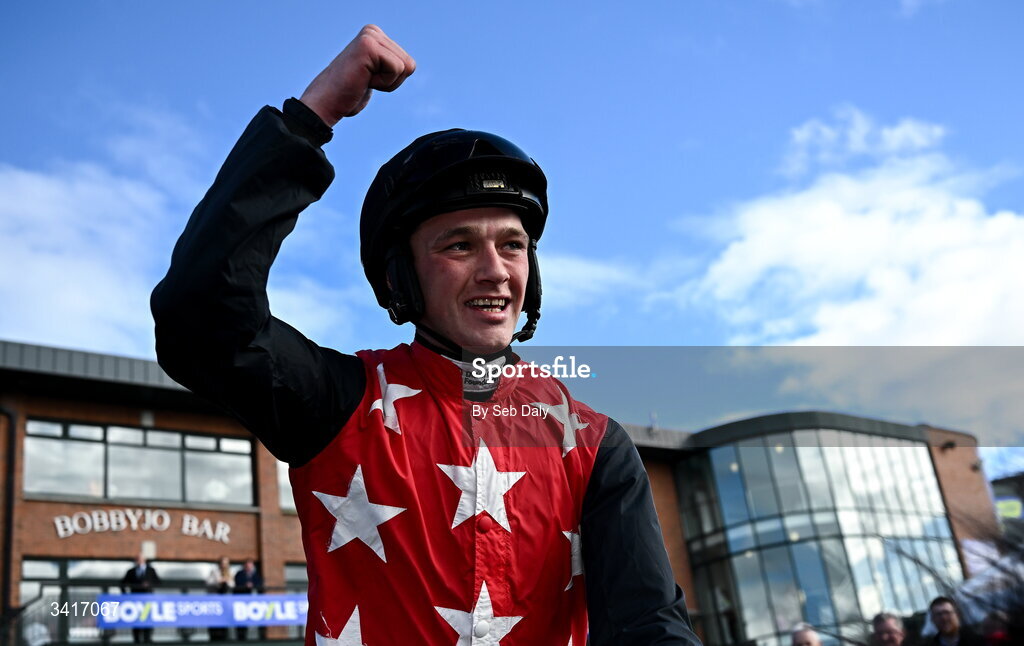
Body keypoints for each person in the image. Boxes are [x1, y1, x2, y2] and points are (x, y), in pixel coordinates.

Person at [151, 23, 699, 646]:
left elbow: (649, 625)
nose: (495, 270)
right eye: (459, 246)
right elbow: (199, 313)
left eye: (512, 245)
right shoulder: (340, 403)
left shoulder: (599, 446)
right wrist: (310, 119)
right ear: (400, 276)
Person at [120, 555, 160, 643]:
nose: (139, 561)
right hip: (135, 600)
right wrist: (125, 596)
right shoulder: (131, 571)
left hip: (147, 600)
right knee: (136, 620)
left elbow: (158, 582)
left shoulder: (151, 570)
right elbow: (123, 583)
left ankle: (147, 638)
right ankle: (136, 639)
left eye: (140, 559)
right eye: (137, 559)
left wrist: (149, 584)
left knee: (147, 619)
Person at [233, 559, 265, 641]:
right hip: (241, 601)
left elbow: (260, 584)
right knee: (241, 622)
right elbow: (237, 584)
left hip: (254, 602)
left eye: (250, 565)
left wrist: (253, 585)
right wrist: (245, 585)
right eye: (247, 565)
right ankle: (241, 639)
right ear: (244, 566)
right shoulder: (239, 574)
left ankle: (260, 637)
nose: (249, 567)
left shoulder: (256, 575)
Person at [205, 556, 233, 641]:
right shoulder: (214, 571)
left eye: (226, 563)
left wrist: (226, 581)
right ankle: (213, 637)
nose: (224, 565)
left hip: (225, 601)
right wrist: (218, 581)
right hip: (215, 600)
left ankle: (224, 636)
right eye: (223, 563)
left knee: (224, 620)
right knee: (214, 620)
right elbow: (208, 582)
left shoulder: (230, 572)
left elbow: (232, 584)